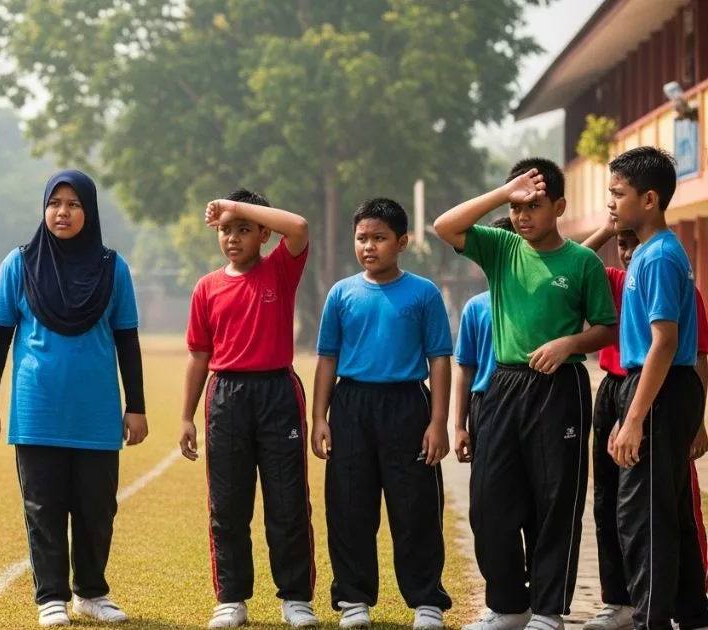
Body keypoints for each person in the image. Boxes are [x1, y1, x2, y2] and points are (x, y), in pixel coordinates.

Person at [433, 158, 617, 630]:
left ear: (559, 207)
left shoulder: (583, 262)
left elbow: (605, 327)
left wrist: (569, 343)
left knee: (555, 502)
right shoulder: (500, 248)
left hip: (562, 388)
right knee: (488, 504)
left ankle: (549, 610)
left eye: (533, 206)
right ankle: (510, 607)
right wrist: (503, 193)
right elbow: (444, 226)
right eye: (517, 207)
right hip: (503, 386)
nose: (522, 216)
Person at [0, 169, 148, 628]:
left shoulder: (113, 268)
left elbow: (127, 339)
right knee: (43, 508)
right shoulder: (19, 264)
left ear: (89, 211)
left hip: (96, 412)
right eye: (54, 203)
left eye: (73, 204)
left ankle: (91, 593)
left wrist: (136, 406)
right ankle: (51, 597)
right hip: (37, 410)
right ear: (44, 209)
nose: (62, 212)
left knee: (97, 510)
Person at [312, 198, 453, 630]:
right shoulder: (341, 294)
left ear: (402, 242)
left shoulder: (424, 293)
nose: (368, 246)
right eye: (361, 238)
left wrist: (438, 422)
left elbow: (440, 359)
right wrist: (319, 417)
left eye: (379, 238)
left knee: (415, 508)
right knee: (349, 505)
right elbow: (327, 359)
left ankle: (426, 600)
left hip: (408, 405)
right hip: (351, 405)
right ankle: (353, 598)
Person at [179, 189, 315, 629]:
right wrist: (186, 416)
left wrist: (234, 206)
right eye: (225, 230)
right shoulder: (207, 288)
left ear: (264, 233)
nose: (232, 238)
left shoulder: (280, 269)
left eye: (243, 229)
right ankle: (231, 599)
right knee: (228, 504)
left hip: (278, 393)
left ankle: (295, 598)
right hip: (226, 397)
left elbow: (299, 227)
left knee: (287, 502)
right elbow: (199, 355)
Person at [580, 214, 708, 630]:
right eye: (622, 243)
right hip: (618, 391)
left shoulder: (664, 269)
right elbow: (573, 261)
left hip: (654, 394)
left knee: (660, 509)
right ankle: (625, 600)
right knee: (613, 505)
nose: (628, 250)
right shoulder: (620, 279)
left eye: (634, 241)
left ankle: (669, 610)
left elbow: (690, 351)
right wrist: (609, 227)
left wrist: (695, 420)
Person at [454, 216, 516, 463]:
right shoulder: (475, 307)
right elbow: (465, 369)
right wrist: (459, 426)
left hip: (533, 398)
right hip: (486, 402)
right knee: (487, 480)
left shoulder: (543, 300)